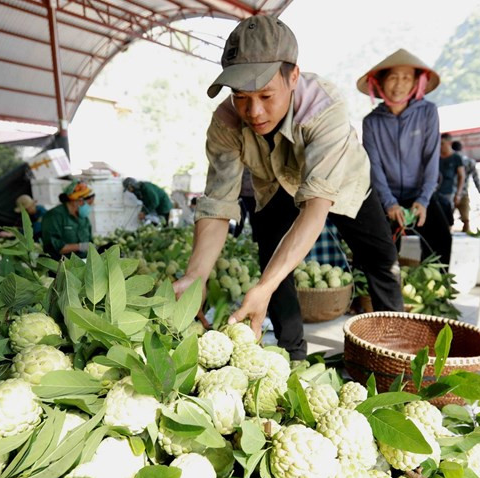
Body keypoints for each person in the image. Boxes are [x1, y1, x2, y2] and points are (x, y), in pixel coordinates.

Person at [172, 15, 403, 360]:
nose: (254, 111)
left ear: (293, 76)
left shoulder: (323, 108)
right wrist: (196, 275)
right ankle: (290, 353)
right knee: (273, 264)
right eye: (241, 96)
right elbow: (218, 203)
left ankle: (393, 352)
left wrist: (263, 287)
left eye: (266, 94)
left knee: (381, 261)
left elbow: (316, 207)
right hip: (274, 183)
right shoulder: (226, 122)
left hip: (343, 182)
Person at [360, 49, 453, 267]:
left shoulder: (428, 112)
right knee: (379, 252)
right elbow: (374, 167)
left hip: (421, 195)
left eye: (406, 78)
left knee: (441, 244)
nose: (399, 84)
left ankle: (437, 297)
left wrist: (422, 200)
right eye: (393, 77)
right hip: (386, 197)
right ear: (381, 83)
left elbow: (431, 158)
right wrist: (389, 203)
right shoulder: (371, 122)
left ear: (415, 83)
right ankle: (384, 299)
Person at [40, 181, 95, 259]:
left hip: (83, 263)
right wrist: (79, 247)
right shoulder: (54, 216)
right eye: (89, 204)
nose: (89, 207)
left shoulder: (83, 218)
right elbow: (53, 247)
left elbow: (89, 242)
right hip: (61, 266)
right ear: (78, 201)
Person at [451, 141, 480, 233]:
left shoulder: (448, 160)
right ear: (461, 149)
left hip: (449, 194)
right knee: (466, 220)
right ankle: (466, 238)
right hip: (464, 193)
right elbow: (476, 178)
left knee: (446, 220)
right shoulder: (469, 161)